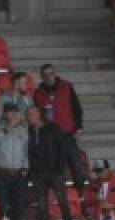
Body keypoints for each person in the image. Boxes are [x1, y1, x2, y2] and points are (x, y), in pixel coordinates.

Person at [34, 64, 87, 192]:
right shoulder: (37, 93)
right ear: (42, 77)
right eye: (45, 75)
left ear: (55, 73)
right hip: (50, 139)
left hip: (68, 134)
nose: (49, 77)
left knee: (76, 167)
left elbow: (76, 107)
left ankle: (81, 195)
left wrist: (79, 127)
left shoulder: (67, 86)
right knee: (56, 171)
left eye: (51, 73)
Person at [0, 102, 31, 220]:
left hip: (18, 173)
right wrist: (6, 130)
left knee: (17, 206)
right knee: (1, 205)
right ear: (4, 114)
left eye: (15, 112)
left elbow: (26, 150)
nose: (13, 115)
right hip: (1, 172)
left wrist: (26, 167)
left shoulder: (23, 130)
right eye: (10, 112)